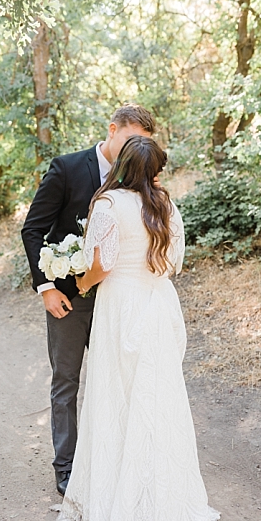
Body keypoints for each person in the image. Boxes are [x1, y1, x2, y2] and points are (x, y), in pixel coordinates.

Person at [57, 135, 218, 521]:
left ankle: (120, 499)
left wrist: (84, 284)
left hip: (121, 305)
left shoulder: (107, 205)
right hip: (157, 303)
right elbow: (170, 263)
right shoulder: (164, 205)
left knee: (117, 396)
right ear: (151, 172)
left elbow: (102, 263)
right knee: (158, 397)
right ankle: (162, 499)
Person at [21, 104, 156, 496]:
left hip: (120, 299)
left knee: (116, 380)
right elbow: (33, 231)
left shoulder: (139, 179)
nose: (138, 150)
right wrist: (46, 288)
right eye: (132, 140)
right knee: (66, 382)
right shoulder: (66, 168)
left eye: (144, 144)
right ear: (112, 130)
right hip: (68, 299)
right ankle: (66, 468)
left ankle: (110, 461)